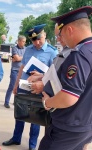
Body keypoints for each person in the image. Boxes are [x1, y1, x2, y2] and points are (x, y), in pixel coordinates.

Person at [38, 6, 92, 150]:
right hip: (86, 126)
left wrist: (48, 102)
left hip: (68, 128)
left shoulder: (79, 55)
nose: (60, 39)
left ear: (69, 30)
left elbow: (69, 97)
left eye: (61, 34)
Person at [2, 24, 58, 150]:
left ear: (44, 35)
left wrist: (42, 75)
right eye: (34, 40)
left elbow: (54, 73)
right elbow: (22, 67)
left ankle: (32, 145)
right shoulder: (28, 49)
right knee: (20, 113)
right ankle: (16, 138)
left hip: (39, 89)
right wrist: (16, 85)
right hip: (24, 86)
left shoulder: (52, 51)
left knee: (36, 118)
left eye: (39, 39)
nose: (37, 42)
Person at [4, 35, 26, 108]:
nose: (24, 43)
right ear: (19, 41)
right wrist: (22, 58)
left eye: (24, 42)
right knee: (12, 86)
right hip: (15, 70)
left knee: (20, 87)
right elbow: (17, 58)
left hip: (22, 71)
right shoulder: (14, 48)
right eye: (22, 41)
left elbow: (19, 58)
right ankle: (6, 102)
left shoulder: (25, 49)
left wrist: (19, 58)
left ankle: (15, 102)